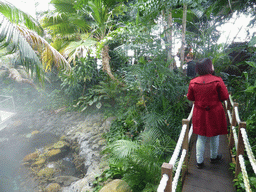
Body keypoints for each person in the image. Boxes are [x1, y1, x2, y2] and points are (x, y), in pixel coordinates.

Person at [186, 58, 229, 169]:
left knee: (201, 136)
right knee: (215, 135)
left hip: (200, 112)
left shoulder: (193, 82)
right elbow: (225, 97)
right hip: (215, 111)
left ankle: (199, 161)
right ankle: (213, 157)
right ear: (209, 67)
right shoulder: (217, 80)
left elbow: (190, 97)